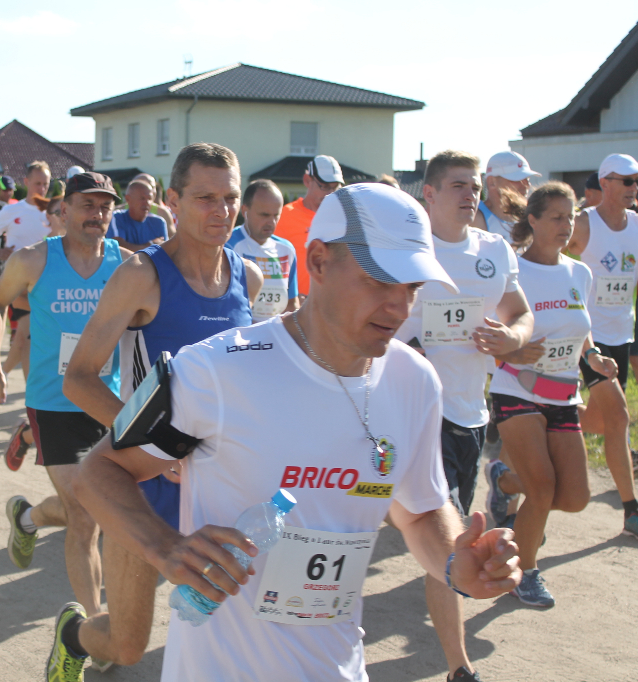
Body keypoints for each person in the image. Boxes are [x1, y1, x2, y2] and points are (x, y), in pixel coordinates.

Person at [73, 182, 521, 682]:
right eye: (379, 282)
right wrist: (164, 546)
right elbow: (99, 471)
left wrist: (457, 562)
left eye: (412, 287)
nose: (400, 307)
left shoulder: (414, 380)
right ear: (319, 262)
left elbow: (419, 512)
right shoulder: (216, 368)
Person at [57, 143, 262, 676]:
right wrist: (156, 447)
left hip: (221, 482)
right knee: (126, 646)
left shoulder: (249, 278)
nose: (222, 211)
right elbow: (79, 378)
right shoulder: (142, 275)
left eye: (230, 198)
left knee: (234, 629)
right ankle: (74, 635)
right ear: (172, 200)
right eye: (205, 198)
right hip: (145, 484)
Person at [396, 150, 533, 682]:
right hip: (416, 416)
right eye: (458, 185)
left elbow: (519, 314)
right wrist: (408, 351)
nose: (470, 194)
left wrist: (510, 337)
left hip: (471, 415)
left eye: (474, 186)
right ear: (429, 193)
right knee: (451, 534)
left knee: (443, 533)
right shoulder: (406, 250)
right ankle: (460, 667)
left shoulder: (493, 249)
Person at [0, 173, 126, 674]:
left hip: (105, 403)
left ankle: (27, 518)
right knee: (85, 517)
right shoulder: (33, 261)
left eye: (105, 207)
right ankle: (94, 631)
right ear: (64, 210)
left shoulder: (126, 265)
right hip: (53, 402)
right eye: (87, 205)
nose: (97, 214)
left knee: (92, 510)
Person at [485, 182, 606, 608]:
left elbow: (581, 328)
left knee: (574, 497)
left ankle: (503, 479)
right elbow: (490, 333)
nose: (566, 225)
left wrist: (593, 356)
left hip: (562, 393)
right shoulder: (512, 273)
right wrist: (512, 348)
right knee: (542, 490)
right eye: (556, 217)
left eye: (571, 216)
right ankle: (526, 573)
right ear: (532, 220)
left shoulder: (580, 273)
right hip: (515, 387)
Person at [566, 153, 638, 537]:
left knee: (601, 421)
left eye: (636, 181)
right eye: (625, 181)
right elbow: (547, 258)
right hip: (587, 338)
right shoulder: (583, 223)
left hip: (621, 334)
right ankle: (632, 511)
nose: (633, 187)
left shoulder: (637, 225)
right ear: (605, 183)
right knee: (620, 418)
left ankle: (555, 414)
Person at [0, 161, 53, 469]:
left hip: (47, 284)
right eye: (37, 183)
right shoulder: (11, 210)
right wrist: (0, 252)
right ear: (26, 182)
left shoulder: (52, 211)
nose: (42, 188)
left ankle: (26, 395)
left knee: (30, 344)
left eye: (46, 183)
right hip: (18, 283)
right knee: (24, 337)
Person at [226, 179, 298, 322]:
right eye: (264, 215)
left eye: (276, 215)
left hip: (276, 331)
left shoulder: (287, 249)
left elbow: (292, 303)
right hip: (242, 330)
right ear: (245, 211)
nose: (271, 222)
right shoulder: (228, 245)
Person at [274, 155, 344, 299]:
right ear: (307, 180)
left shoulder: (343, 218)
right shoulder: (286, 215)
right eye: (324, 186)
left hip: (332, 302)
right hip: (295, 304)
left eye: (335, 187)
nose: (330, 193)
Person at [470, 151, 540, 240]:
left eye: (527, 179)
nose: (527, 185)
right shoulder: (473, 216)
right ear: (492, 182)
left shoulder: (530, 218)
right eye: (517, 179)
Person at [108, 180, 168, 251]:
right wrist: (151, 245)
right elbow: (118, 249)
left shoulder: (159, 222)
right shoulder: (117, 217)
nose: (147, 202)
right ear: (128, 199)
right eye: (142, 198)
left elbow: (165, 252)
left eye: (149, 198)